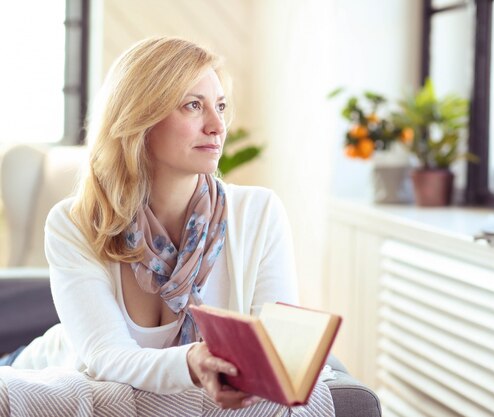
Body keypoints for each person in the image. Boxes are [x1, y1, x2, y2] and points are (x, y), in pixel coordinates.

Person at [3, 36, 314, 412]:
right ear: (140, 119)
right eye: (193, 106)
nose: (217, 126)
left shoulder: (259, 213)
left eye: (220, 106)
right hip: (34, 365)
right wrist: (190, 363)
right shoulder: (75, 223)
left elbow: (277, 355)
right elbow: (106, 355)